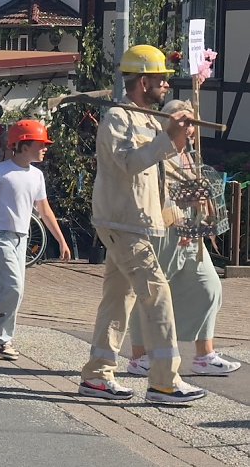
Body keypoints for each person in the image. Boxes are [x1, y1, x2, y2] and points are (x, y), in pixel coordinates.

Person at [78, 44, 205, 404]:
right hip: (121, 221)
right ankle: (164, 381)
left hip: (138, 222)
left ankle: (97, 376)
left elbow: (161, 170)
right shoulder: (117, 118)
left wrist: (185, 179)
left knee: (118, 299)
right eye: (162, 79)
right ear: (143, 80)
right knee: (157, 291)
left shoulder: (148, 119)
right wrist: (170, 139)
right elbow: (131, 164)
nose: (167, 85)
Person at [126, 99, 240, 377]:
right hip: (161, 230)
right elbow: (152, 189)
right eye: (185, 123)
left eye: (192, 123)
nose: (190, 129)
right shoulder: (156, 147)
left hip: (190, 232)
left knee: (208, 287)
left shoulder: (189, 152)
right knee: (150, 293)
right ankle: (140, 356)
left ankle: (204, 355)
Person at [0, 119, 71, 360]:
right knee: (13, 287)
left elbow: (45, 210)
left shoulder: (37, 175)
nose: (46, 148)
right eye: (42, 143)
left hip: (22, 238)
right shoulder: (0, 171)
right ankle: (0, 339)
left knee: (9, 289)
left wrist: (61, 240)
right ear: (24, 144)